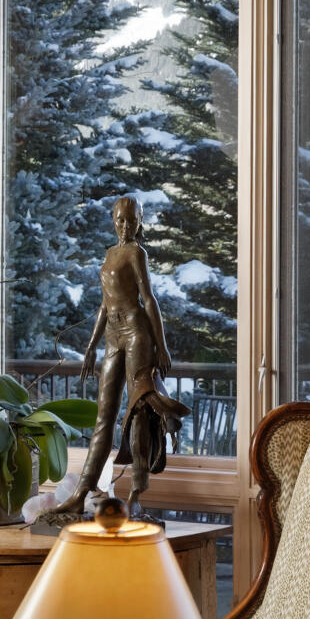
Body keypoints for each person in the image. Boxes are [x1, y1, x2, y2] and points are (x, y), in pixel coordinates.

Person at [72, 195, 186, 511]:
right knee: (104, 418)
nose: (125, 225)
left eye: (131, 220)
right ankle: (82, 491)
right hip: (113, 336)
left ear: (139, 222)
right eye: (121, 219)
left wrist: (161, 345)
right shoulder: (110, 253)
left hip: (137, 333)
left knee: (139, 411)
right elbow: (104, 305)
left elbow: (148, 299)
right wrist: (91, 346)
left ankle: (136, 491)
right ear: (114, 220)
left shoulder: (137, 252)